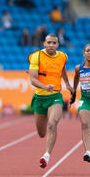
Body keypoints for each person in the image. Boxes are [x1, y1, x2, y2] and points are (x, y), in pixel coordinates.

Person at [28, 33, 74, 168]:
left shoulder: (63, 56)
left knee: (52, 125)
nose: (51, 45)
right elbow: (33, 79)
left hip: (55, 96)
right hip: (40, 98)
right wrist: (45, 87)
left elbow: (63, 68)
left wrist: (67, 83)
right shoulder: (37, 56)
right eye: (49, 42)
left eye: (54, 43)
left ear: (58, 45)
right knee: (41, 133)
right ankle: (46, 147)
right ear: (44, 43)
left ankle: (46, 155)